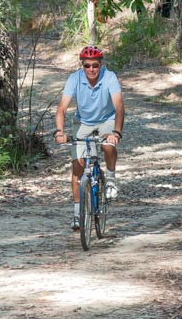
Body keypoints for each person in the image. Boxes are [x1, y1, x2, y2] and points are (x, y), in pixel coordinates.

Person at [54, 45, 125, 231]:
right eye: (87, 66)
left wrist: (116, 132)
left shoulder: (109, 77)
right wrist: (59, 132)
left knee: (108, 145)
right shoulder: (74, 79)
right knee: (77, 167)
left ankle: (110, 178)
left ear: (100, 65)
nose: (91, 69)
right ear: (82, 65)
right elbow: (62, 108)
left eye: (95, 65)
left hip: (106, 120)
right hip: (83, 122)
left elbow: (119, 107)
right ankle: (78, 213)